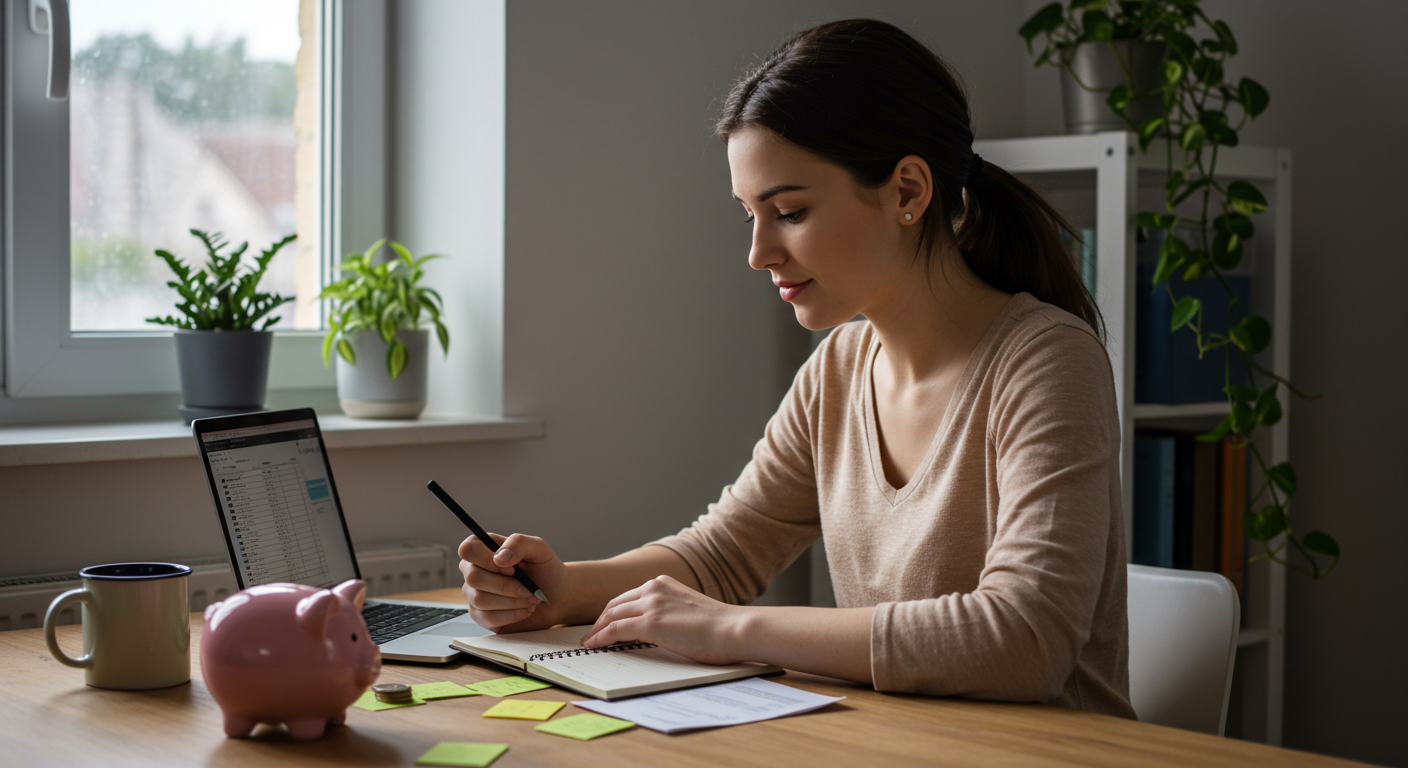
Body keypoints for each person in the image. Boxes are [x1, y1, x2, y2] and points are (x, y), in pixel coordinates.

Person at [458, 18, 1135, 719]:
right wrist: (564, 589)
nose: (759, 252)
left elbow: (1023, 641)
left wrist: (729, 629)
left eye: (788, 211)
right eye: (749, 214)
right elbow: (723, 553)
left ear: (907, 191)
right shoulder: (838, 369)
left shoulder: (1046, 362)